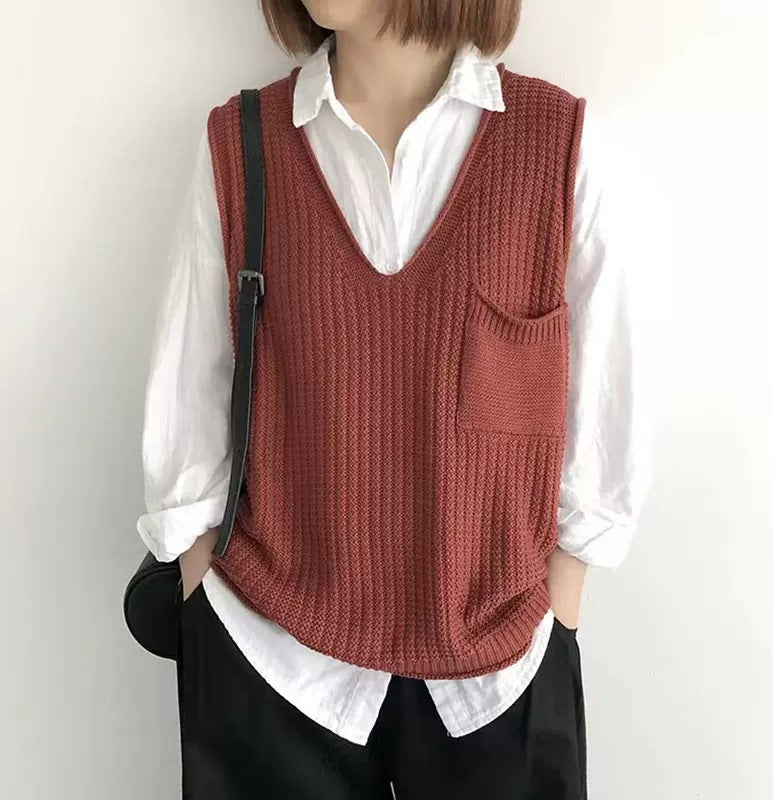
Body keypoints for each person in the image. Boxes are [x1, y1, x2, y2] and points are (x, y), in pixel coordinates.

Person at [136, 1, 650, 797]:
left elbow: (603, 408)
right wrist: (206, 597)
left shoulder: (556, 146)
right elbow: (189, 391)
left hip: (500, 677)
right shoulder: (244, 145)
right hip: (272, 660)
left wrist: (561, 606)